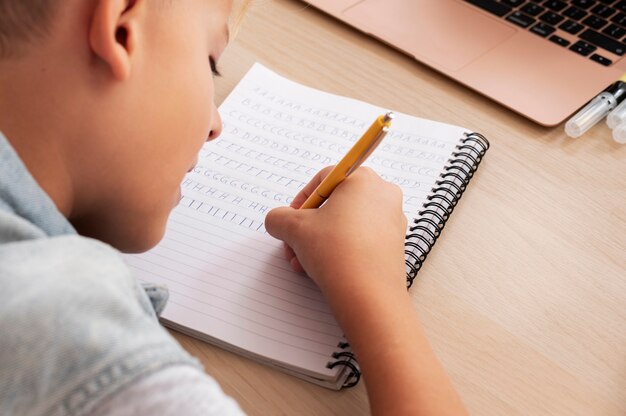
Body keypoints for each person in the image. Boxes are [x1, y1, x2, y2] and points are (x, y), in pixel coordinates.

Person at [0, 0, 467, 415]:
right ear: (122, 27)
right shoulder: (71, 338)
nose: (215, 125)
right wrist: (377, 291)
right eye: (211, 62)